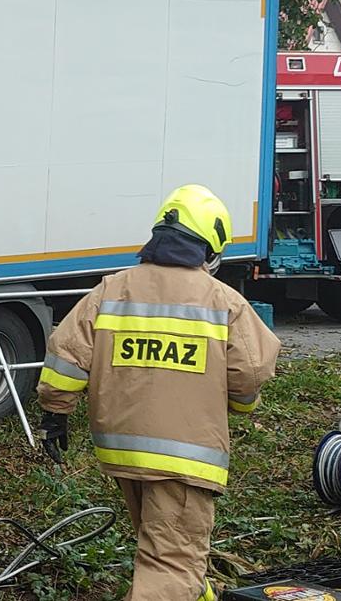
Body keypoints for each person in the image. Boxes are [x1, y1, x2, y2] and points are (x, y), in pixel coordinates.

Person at [38, 184, 280, 601]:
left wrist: (54, 414)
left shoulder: (111, 290)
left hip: (121, 452)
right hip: (185, 460)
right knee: (171, 563)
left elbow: (66, 354)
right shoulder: (223, 301)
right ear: (209, 249)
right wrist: (243, 405)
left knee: (164, 548)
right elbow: (251, 373)